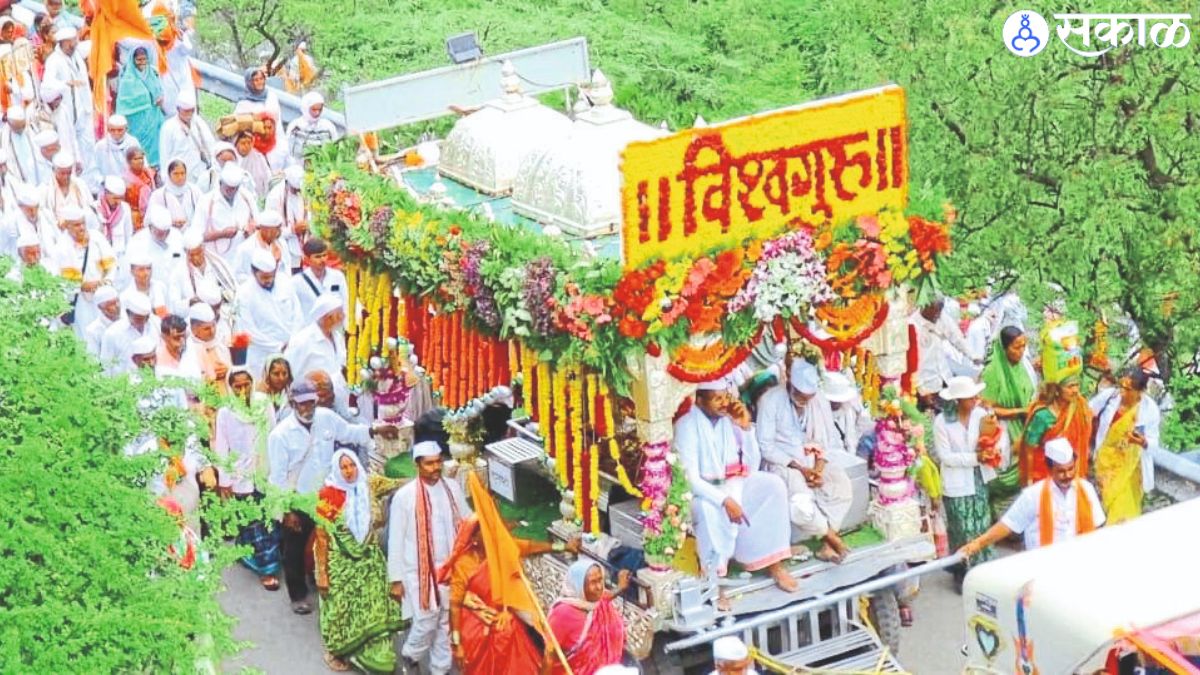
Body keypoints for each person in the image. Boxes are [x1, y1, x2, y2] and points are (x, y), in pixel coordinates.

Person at [268, 381, 387, 613]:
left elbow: (350, 433)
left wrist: (374, 431)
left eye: (311, 401)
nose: (308, 407)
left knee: (330, 541)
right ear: (292, 403)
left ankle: (328, 580)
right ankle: (298, 594)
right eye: (302, 403)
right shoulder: (280, 435)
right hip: (299, 500)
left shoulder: (326, 417)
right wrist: (285, 511)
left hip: (327, 494)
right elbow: (277, 478)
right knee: (294, 548)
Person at [675, 376, 797, 601]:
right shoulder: (686, 426)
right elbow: (690, 479)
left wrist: (745, 428)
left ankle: (773, 563)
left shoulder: (728, 420)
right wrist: (725, 501)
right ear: (700, 401)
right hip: (702, 493)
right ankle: (714, 582)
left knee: (773, 486)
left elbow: (751, 466)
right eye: (717, 399)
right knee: (706, 510)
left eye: (725, 397)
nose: (724, 403)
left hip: (733, 484)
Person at [437, 514, 581, 675]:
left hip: (505, 622)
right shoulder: (464, 564)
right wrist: (457, 644)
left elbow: (530, 546)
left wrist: (564, 547)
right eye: (484, 532)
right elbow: (455, 605)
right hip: (477, 627)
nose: (491, 535)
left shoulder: (502, 550)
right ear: (474, 539)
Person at [314, 449, 405, 673]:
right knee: (342, 610)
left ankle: (375, 655)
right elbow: (322, 536)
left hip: (369, 561)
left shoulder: (369, 484)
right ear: (337, 469)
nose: (348, 471)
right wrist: (323, 574)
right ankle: (337, 650)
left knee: (375, 607)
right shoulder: (329, 495)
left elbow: (397, 483)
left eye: (352, 465)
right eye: (343, 467)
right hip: (341, 565)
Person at [388, 441, 473, 675]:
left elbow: (466, 520)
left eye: (438, 462)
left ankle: (440, 668)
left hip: (449, 567)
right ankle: (410, 655)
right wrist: (396, 579)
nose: (436, 467)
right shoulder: (405, 497)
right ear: (418, 465)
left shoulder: (452, 488)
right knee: (427, 619)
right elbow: (395, 538)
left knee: (445, 620)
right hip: (417, 570)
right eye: (430, 463)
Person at [756, 361, 853, 563]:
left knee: (841, 485)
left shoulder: (818, 400)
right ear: (790, 384)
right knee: (801, 505)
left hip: (813, 460)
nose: (804, 400)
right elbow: (766, 447)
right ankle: (832, 537)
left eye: (808, 397)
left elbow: (828, 441)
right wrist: (801, 469)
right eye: (800, 395)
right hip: (783, 464)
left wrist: (817, 469)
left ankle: (827, 546)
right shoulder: (770, 400)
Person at [959, 438, 1104, 557]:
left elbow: (1098, 527)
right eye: (1061, 471)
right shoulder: (1033, 495)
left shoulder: (1086, 489)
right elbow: (1008, 524)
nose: (1067, 476)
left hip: (1078, 562)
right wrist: (978, 544)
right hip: (1041, 564)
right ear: (1049, 469)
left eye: (1071, 469)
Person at [933, 376, 1009, 589]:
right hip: (956, 483)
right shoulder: (941, 422)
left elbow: (997, 436)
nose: (976, 399)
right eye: (970, 397)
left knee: (981, 523)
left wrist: (994, 450)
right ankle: (962, 569)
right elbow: (946, 457)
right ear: (958, 400)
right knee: (962, 527)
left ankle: (981, 569)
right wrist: (976, 458)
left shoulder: (981, 415)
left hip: (979, 479)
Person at [214, 366, 281, 591]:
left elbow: (274, 435)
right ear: (231, 388)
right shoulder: (225, 412)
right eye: (238, 386)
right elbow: (222, 447)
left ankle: (268, 567)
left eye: (246, 384)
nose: (243, 390)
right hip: (240, 475)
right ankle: (260, 563)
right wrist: (225, 481)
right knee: (250, 522)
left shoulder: (263, 403)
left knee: (265, 522)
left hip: (264, 471)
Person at [1092, 368, 1160, 524]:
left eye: (1128, 389)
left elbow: (1154, 443)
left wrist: (1142, 442)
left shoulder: (1150, 410)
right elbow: (1088, 411)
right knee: (1109, 507)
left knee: (1123, 514)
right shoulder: (1110, 396)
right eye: (1121, 386)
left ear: (1140, 392)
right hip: (1106, 467)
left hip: (1130, 472)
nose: (1122, 392)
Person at [545, 559, 630, 675]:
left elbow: (606, 596)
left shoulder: (595, 602)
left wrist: (620, 587)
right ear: (579, 585)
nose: (600, 587)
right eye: (593, 582)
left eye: (601, 580)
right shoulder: (562, 613)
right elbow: (549, 654)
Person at [235, 249, 302, 376]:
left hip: (291, 349)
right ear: (254, 273)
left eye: (272, 276)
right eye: (264, 277)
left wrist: (292, 342)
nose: (269, 280)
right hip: (262, 354)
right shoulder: (243, 294)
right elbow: (247, 330)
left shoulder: (285, 282)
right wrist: (278, 347)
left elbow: (297, 314)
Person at [1020, 375, 1092, 486]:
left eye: (1077, 385)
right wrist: (1030, 481)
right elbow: (1029, 449)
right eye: (1070, 386)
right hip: (1046, 473)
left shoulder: (1078, 409)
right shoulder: (1042, 416)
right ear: (1057, 391)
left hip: (1071, 471)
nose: (1076, 390)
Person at [53, 208, 115, 336]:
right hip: (81, 300)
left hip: (102, 295)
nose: (81, 228)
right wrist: (81, 286)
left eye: (83, 223)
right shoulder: (62, 248)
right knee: (86, 335)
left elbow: (111, 264)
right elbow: (61, 280)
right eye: (76, 225)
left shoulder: (96, 238)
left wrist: (107, 282)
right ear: (67, 226)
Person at [908, 297, 981, 403]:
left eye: (940, 311)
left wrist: (973, 356)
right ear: (925, 307)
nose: (937, 315)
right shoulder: (912, 325)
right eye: (935, 311)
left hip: (945, 378)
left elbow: (957, 338)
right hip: (925, 386)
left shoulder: (942, 317)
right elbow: (911, 362)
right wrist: (920, 388)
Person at [41, 28, 93, 169]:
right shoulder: (54, 61)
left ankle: (90, 182)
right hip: (66, 113)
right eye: (69, 44)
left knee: (88, 148)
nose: (73, 46)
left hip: (84, 110)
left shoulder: (76, 54)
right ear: (62, 43)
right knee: (69, 148)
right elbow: (46, 86)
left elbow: (93, 43)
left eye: (74, 42)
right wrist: (65, 84)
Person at [285, 293, 348, 409]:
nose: (343, 317)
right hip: (313, 404)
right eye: (339, 314)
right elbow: (289, 374)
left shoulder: (338, 336)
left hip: (339, 402)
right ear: (326, 317)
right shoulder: (302, 340)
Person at [114, 47, 165, 168]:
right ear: (133, 60)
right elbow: (123, 105)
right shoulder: (127, 80)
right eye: (139, 60)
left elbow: (159, 90)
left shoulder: (152, 73)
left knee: (156, 147)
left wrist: (159, 98)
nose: (142, 62)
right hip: (137, 124)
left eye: (144, 59)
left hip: (153, 120)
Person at [195, 163, 257, 258]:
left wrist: (251, 229)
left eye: (235, 189)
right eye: (228, 189)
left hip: (243, 258)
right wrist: (221, 234)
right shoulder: (206, 201)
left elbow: (258, 224)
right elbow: (197, 237)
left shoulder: (247, 197)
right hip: (216, 259)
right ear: (220, 183)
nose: (232, 192)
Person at [158, 90, 215, 190]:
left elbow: (211, 145)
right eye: (186, 111)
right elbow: (165, 155)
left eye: (191, 110)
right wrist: (166, 181)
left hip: (201, 174)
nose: (189, 114)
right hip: (179, 175)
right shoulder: (169, 127)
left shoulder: (198, 122)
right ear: (178, 109)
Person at [99, 291, 160, 375]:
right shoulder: (112, 333)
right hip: (124, 385)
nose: (143, 322)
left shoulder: (156, 324)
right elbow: (106, 366)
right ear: (128, 313)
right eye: (139, 319)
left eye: (146, 318)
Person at [292, 237, 347, 325]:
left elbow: (346, 303)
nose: (322, 260)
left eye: (324, 255)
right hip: (311, 332)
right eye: (317, 257)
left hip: (336, 331)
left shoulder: (338, 276)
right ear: (307, 259)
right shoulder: (296, 282)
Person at [231, 208, 290, 282]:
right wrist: (261, 279)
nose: (280, 231)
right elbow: (238, 276)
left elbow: (287, 270)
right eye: (277, 228)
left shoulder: (281, 243)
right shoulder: (246, 248)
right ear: (266, 229)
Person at [823, 371, 873, 456]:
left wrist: (855, 440)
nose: (836, 404)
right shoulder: (819, 412)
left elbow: (863, 424)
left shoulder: (850, 407)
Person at [89, 115, 141, 193]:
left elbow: (141, 166)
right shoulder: (101, 146)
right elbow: (93, 170)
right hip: (108, 190)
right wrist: (104, 181)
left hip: (130, 188)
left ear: (126, 129)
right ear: (108, 129)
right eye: (112, 130)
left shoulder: (133, 143)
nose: (116, 133)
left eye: (120, 130)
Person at [149, 158, 201, 232]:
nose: (180, 177)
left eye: (182, 173)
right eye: (176, 174)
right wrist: (170, 222)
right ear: (169, 175)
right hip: (168, 236)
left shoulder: (195, 191)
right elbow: (150, 220)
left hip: (193, 235)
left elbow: (204, 214)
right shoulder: (158, 195)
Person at [286, 91, 340, 161]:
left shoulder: (327, 126)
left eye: (319, 110)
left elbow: (336, 148)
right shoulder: (296, 126)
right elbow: (289, 151)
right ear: (306, 108)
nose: (317, 113)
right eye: (314, 109)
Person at [187, 302, 230, 390]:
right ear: (194, 330)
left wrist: (228, 371)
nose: (212, 331)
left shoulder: (222, 341)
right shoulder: (188, 348)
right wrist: (209, 375)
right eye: (206, 328)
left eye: (214, 325)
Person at [155, 313, 202, 382]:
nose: (182, 341)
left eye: (184, 336)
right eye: (176, 338)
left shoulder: (196, 350)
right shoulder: (155, 358)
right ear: (164, 337)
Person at [96, 176, 134, 260]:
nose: (118, 202)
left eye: (121, 198)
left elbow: (129, 235)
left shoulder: (125, 208)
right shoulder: (94, 209)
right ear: (106, 193)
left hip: (120, 258)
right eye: (115, 198)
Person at [3, 105, 39, 186]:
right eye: (18, 127)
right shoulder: (4, 138)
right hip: (19, 182)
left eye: (23, 126)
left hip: (37, 177)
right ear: (9, 123)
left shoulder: (32, 128)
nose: (21, 130)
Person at [123, 146, 157, 230]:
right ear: (129, 162)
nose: (140, 161)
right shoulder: (125, 181)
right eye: (136, 159)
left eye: (141, 158)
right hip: (135, 216)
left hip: (152, 212)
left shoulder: (149, 173)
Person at [83, 285, 120, 356]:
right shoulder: (93, 331)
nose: (117, 306)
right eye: (111, 304)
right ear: (100, 307)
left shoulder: (127, 321)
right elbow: (93, 360)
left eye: (117, 301)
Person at [256, 354, 294, 423]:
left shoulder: (292, 396)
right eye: (276, 374)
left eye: (284, 373)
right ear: (268, 374)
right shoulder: (258, 395)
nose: (281, 378)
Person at [233, 130, 270, 199]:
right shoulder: (232, 157)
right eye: (243, 143)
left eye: (249, 143)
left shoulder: (259, 157)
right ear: (236, 143)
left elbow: (268, 175)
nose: (247, 146)